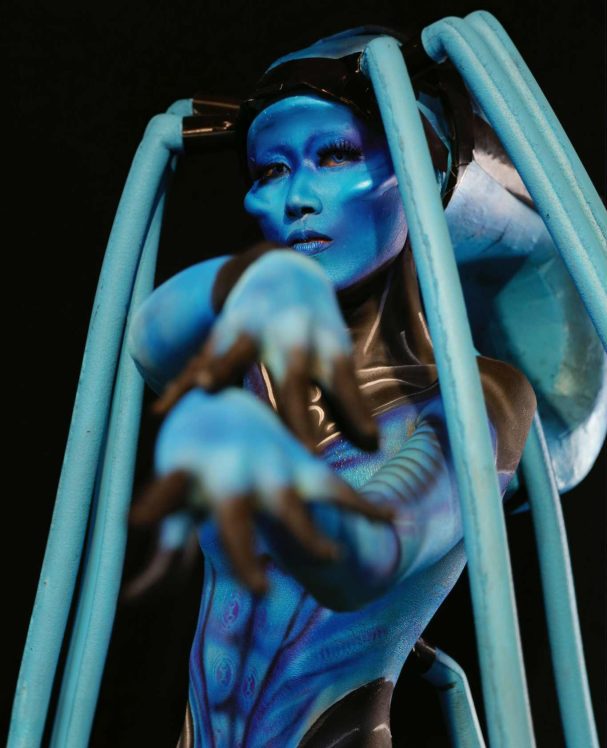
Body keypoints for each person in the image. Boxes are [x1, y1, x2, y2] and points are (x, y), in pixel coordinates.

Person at [127, 27, 536, 747]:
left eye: (337, 155)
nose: (297, 198)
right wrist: (242, 281)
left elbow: (363, 558)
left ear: (423, 167)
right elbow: (148, 341)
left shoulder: (481, 398)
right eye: (270, 170)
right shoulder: (254, 363)